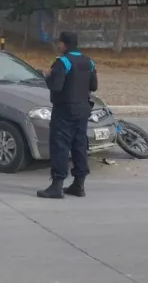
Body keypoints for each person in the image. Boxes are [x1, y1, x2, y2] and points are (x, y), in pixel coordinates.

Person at [36, 31, 98, 199]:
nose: (58, 46)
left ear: (63, 44)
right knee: (79, 145)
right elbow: (94, 86)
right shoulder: (89, 62)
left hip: (64, 110)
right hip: (83, 109)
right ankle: (79, 185)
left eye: (59, 43)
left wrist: (47, 76)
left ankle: (57, 185)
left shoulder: (62, 62)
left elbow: (56, 87)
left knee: (60, 146)